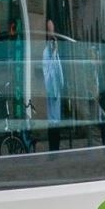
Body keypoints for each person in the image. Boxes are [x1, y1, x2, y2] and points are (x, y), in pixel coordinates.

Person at [42, 19, 64, 151]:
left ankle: (56, 148)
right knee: (53, 120)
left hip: (57, 90)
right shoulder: (47, 51)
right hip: (51, 90)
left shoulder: (55, 49)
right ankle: (53, 149)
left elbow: (59, 68)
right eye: (50, 31)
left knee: (57, 120)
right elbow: (47, 70)